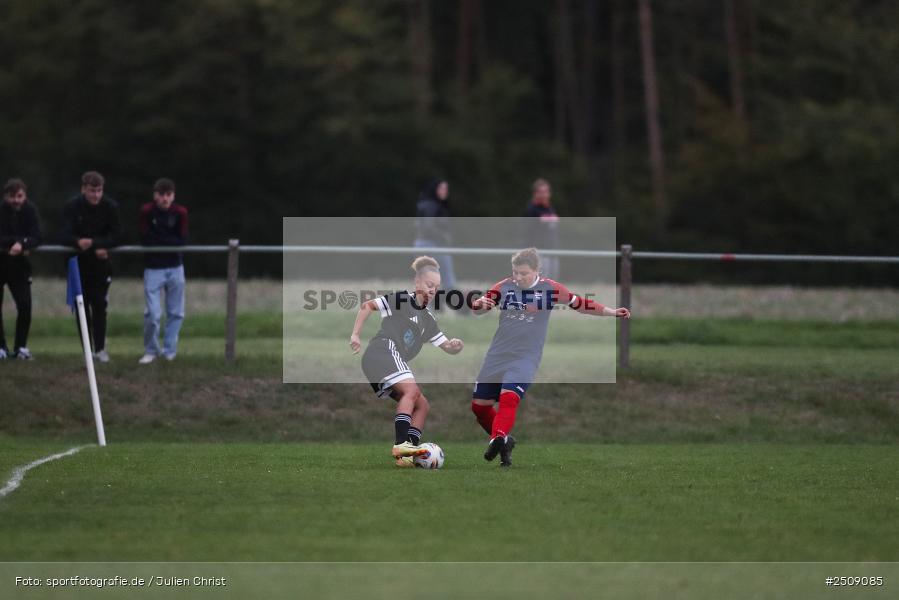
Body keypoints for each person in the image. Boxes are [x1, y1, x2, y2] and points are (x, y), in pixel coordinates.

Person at [469, 248, 630, 467]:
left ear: (536, 270)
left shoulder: (550, 288)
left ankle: (498, 437)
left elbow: (580, 304)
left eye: (523, 273)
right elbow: (479, 307)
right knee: (479, 407)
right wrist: (478, 305)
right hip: (497, 355)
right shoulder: (504, 286)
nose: (518, 277)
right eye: (515, 272)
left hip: (525, 356)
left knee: (509, 397)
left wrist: (610, 311)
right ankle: (505, 441)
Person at [349, 256, 464, 467]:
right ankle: (401, 444)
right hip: (382, 350)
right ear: (417, 282)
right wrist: (356, 334)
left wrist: (454, 346)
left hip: (385, 358)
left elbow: (446, 345)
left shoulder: (428, 319)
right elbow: (367, 305)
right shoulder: (403, 300)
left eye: (437, 287)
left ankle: (406, 456)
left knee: (422, 405)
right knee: (411, 392)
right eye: (429, 285)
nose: (432, 290)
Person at [62, 171, 122, 363]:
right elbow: (63, 234)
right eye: (92, 190)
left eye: (99, 190)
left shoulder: (110, 207)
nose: (96, 195)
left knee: (99, 306)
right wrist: (78, 242)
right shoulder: (72, 206)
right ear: (83, 189)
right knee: (81, 307)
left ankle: (101, 349)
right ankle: (87, 350)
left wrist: (97, 244)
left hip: (100, 267)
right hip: (77, 266)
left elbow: (118, 236)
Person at [138, 178, 188, 364]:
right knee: (152, 314)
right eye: (161, 195)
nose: (165, 199)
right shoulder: (146, 212)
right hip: (153, 268)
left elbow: (181, 241)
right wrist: (167, 239)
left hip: (175, 267)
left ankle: (169, 351)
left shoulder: (180, 213)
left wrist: (160, 238)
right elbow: (145, 239)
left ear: (173, 196)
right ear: (155, 195)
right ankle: (151, 349)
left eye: (168, 195)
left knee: (175, 312)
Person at [0, 178, 42, 360]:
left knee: (25, 306)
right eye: (12, 196)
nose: (16, 200)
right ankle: (1, 347)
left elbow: (37, 236)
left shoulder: (30, 210)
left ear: (24, 196)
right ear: (5, 197)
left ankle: (20, 347)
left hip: (20, 267)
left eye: (19, 196)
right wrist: (16, 243)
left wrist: (22, 244)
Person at [414, 178, 457, 296]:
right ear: (435, 189)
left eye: (446, 189)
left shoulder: (431, 204)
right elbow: (428, 226)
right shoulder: (431, 206)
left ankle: (434, 307)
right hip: (431, 244)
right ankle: (456, 307)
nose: (445, 191)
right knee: (446, 279)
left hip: (428, 244)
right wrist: (444, 237)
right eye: (441, 188)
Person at [524, 178, 560, 279]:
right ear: (535, 193)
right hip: (539, 251)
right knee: (542, 280)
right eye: (541, 192)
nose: (545, 195)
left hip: (552, 249)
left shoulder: (549, 208)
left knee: (553, 281)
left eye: (546, 191)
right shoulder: (531, 209)